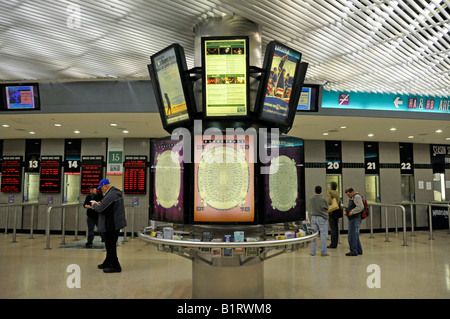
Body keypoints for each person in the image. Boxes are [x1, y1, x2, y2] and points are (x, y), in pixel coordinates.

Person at [91, 179, 127, 273]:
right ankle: (107, 262)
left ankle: (116, 266)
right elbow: (106, 205)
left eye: (101, 188)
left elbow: (100, 208)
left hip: (111, 224)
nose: (101, 190)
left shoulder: (112, 195)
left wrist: (94, 205)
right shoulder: (114, 193)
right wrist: (100, 203)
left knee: (111, 245)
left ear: (106, 186)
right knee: (109, 244)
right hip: (113, 223)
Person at [309, 185, 329, 256]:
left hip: (313, 218)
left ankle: (312, 252)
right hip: (321, 218)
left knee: (313, 235)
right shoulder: (323, 199)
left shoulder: (311, 199)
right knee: (323, 235)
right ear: (321, 191)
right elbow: (326, 207)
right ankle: (323, 252)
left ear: (314, 191)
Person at [344, 187, 364, 256]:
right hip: (353, 218)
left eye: (349, 194)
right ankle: (359, 250)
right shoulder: (353, 197)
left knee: (352, 235)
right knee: (355, 235)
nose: (348, 196)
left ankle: (353, 251)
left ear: (352, 192)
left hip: (355, 218)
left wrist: (352, 212)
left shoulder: (356, 197)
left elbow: (360, 207)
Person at [326, 181, 341, 249]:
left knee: (333, 228)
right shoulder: (337, 193)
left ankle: (333, 244)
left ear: (331, 187)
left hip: (332, 211)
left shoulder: (329, 192)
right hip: (337, 211)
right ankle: (335, 243)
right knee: (336, 227)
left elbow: (329, 201)